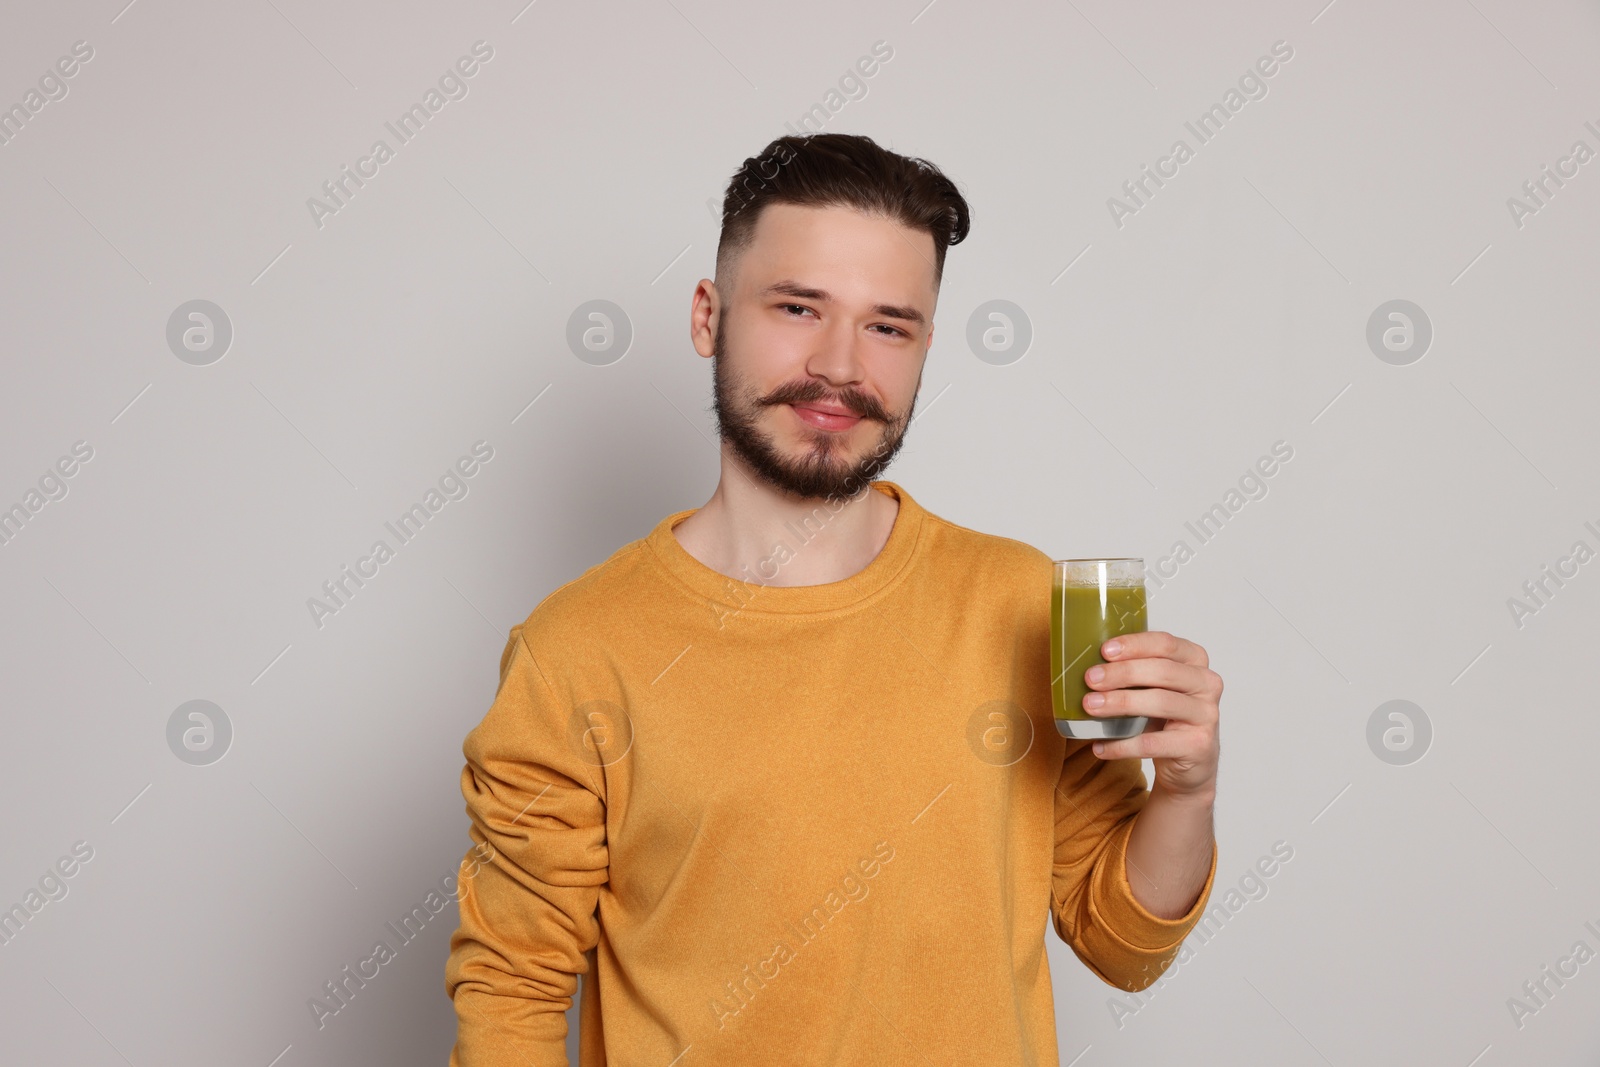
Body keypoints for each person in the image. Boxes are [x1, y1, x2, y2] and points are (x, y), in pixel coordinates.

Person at [444, 132, 1222, 1066]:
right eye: (798, 306)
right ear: (708, 316)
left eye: (888, 325)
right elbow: (512, 989)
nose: (841, 364)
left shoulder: (1019, 599)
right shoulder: (576, 651)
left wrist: (1187, 788)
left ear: (925, 346)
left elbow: (1122, 947)